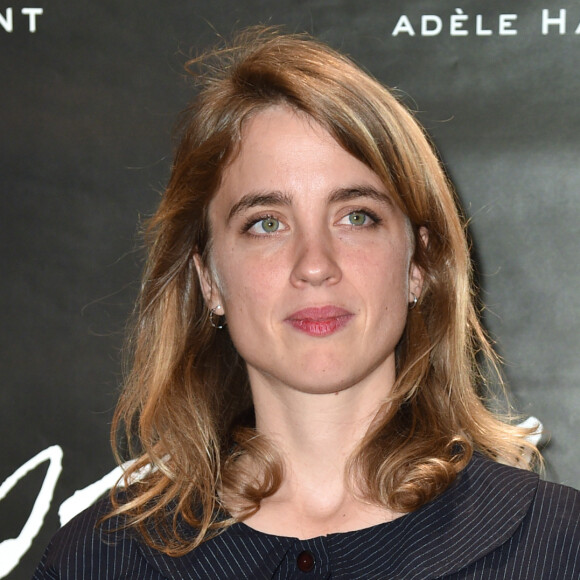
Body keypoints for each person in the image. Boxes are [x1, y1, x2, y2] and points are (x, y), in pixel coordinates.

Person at [35, 28, 579, 579]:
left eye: (356, 216)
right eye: (266, 223)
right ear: (209, 279)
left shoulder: (559, 547)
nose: (315, 264)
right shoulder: (98, 561)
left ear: (419, 265)